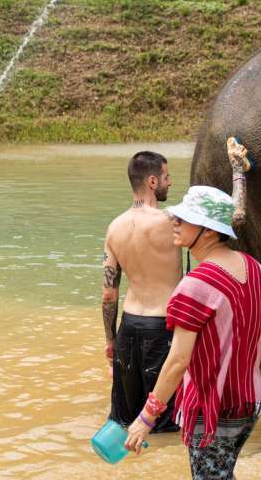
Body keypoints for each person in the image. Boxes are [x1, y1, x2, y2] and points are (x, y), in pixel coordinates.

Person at [123, 186, 261, 479]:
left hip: (212, 412)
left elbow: (179, 360)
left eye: (185, 218)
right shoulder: (257, 270)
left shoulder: (195, 286)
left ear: (208, 232)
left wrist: (147, 417)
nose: (175, 222)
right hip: (249, 406)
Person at [101, 151, 182, 432]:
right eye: (166, 177)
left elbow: (109, 294)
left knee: (124, 419)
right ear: (151, 181)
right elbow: (229, 218)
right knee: (164, 423)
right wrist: (238, 174)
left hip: (129, 327)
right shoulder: (172, 222)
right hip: (163, 329)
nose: (169, 183)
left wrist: (110, 339)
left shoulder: (114, 228)